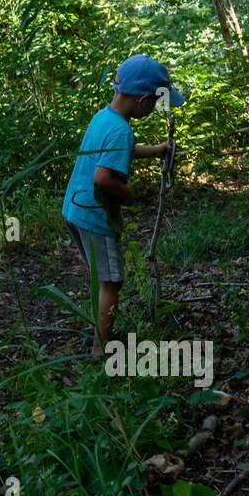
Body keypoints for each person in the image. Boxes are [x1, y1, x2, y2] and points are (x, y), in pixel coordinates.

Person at [62, 54, 182, 357]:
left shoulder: (105, 117)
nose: (154, 108)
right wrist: (128, 193)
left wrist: (154, 151)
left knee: (99, 277)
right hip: (96, 217)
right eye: (155, 103)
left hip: (76, 211)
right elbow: (103, 178)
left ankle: (96, 326)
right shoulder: (120, 129)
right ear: (142, 100)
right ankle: (101, 349)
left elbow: (116, 151)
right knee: (112, 281)